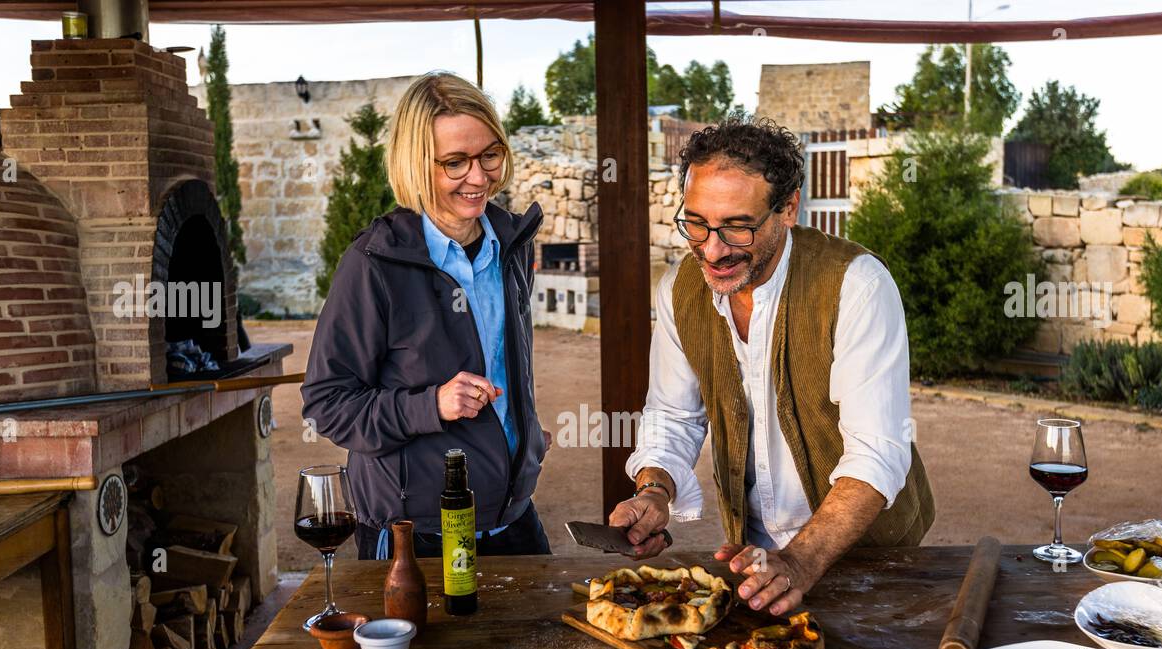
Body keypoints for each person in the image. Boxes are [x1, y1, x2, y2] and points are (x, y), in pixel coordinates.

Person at [611, 116, 935, 615]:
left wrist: (801, 561)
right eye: (696, 222)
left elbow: (877, 452)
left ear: (787, 208)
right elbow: (673, 417)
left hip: (868, 562)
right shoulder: (679, 291)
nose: (713, 250)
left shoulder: (857, 285)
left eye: (737, 227)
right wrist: (654, 490)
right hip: (756, 562)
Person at [302, 71, 551, 559]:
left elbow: (503, 361)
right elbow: (327, 403)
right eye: (454, 162)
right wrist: (431, 404)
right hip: (412, 534)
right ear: (416, 164)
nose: (478, 178)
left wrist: (520, 433)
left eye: (489, 155)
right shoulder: (373, 263)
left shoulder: (512, 245)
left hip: (512, 517)